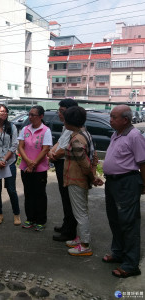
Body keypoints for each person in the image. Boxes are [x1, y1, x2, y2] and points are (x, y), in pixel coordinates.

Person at [103, 105, 145, 278]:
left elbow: (143, 163)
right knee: (115, 220)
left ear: (125, 120)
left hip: (127, 183)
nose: (110, 120)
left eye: (114, 117)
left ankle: (130, 264)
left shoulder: (135, 136)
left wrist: (143, 185)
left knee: (129, 223)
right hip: (112, 183)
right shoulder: (116, 134)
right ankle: (118, 252)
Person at [63, 106, 103, 256]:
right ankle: (81, 239)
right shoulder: (84, 133)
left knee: (80, 212)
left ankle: (85, 245)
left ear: (69, 121)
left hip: (77, 179)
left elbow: (84, 162)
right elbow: (94, 156)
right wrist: (93, 174)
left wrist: (92, 178)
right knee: (81, 210)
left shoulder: (77, 139)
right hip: (79, 179)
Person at [48, 99, 78, 242]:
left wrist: (53, 154)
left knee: (69, 200)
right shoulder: (66, 127)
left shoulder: (75, 129)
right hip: (60, 165)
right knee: (64, 198)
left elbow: (64, 150)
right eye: (59, 111)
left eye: (62, 111)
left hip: (68, 167)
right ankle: (66, 225)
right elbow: (59, 143)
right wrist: (51, 152)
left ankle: (70, 231)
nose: (59, 114)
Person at [18, 106, 52, 232]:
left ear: (41, 116)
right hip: (25, 168)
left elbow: (45, 149)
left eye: (33, 115)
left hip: (40, 169)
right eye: (29, 115)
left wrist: (34, 164)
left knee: (40, 195)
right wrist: (27, 162)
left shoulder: (46, 131)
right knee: (28, 193)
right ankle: (30, 218)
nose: (30, 117)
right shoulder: (25, 129)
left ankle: (41, 220)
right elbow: (20, 147)